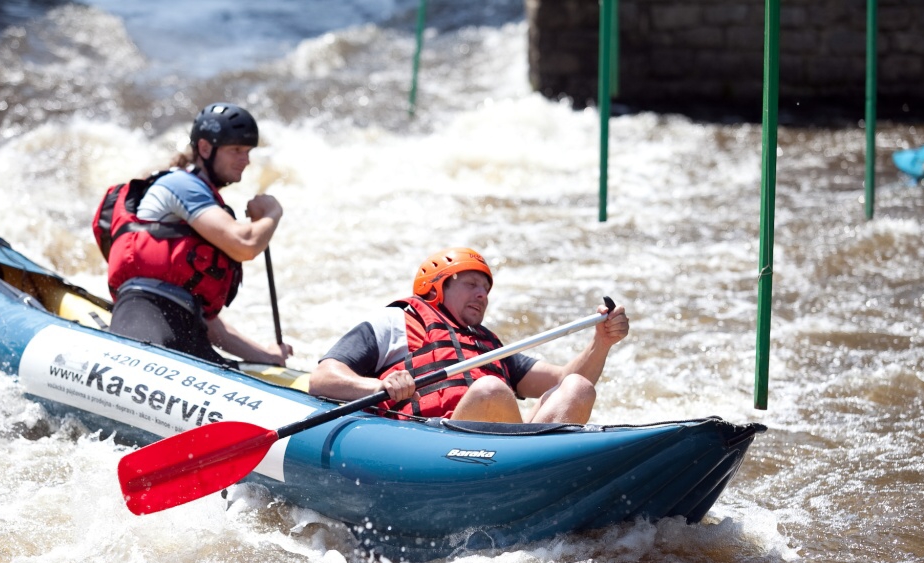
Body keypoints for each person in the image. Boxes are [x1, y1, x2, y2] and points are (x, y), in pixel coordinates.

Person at [308, 247, 629, 424]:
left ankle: (543, 472)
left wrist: (600, 343)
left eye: (486, 289)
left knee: (577, 388)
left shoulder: (488, 345)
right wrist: (380, 386)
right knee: (491, 390)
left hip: (504, 448)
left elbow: (559, 379)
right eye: (470, 285)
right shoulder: (393, 322)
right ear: (435, 288)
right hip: (433, 443)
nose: (482, 295)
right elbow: (323, 378)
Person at [93, 102, 291, 367]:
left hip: (186, 328)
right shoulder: (181, 185)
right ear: (205, 148)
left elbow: (212, 327)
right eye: (236, 150)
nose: (245, 159)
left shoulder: (205, 202)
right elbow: (245, 244)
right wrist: (272, 212)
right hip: (144, 315)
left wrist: (267, 357)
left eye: (248, 151)